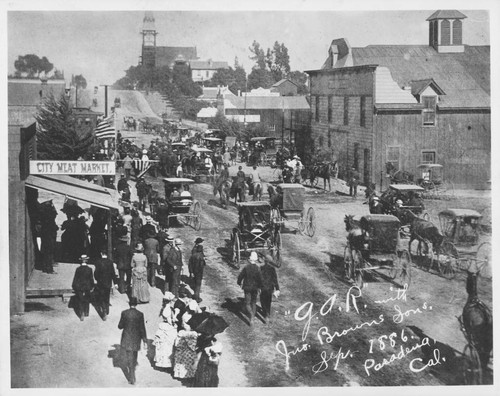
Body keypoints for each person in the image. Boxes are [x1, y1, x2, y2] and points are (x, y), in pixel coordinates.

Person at [118, 297, 148, 385]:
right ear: (136, 304)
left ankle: (131, 377)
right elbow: (142, 328)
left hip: (127, 338)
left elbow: (120, 326)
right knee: (134, 356)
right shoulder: (140, 314)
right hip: (136, 339)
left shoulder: (124, 313)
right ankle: (132, 374)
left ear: (129, 304)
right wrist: (145, 340)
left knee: (129, 357)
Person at [237, 251, 264, 325]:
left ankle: (251, 315)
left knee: (247, 303)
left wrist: (239, 282)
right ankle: (253, 316)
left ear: (249, 259)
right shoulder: (258, 268)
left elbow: (240, 276)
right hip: (255, 288)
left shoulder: (246, 267)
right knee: (253, 303)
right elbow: (260, 279)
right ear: (256, 260)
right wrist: (260, 287)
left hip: (247, 287)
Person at [153, 292, 178, 369]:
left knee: (163, 347)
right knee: (166, 347)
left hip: (164, 326)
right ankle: (164, 364)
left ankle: (162, 363)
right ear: (170, 301)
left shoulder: (166, 308)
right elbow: (170, 322)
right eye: (173, 300)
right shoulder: (167, 309)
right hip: (167, 328)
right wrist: (176, 315)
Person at [71, 254, 95, 321]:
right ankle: (86, 312)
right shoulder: (89, 269)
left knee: (80, 299)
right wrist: (92, 286)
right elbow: (91, 279)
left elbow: (75, 278)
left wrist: (73, 286)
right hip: (87, 286)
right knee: (87, 299)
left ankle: (81, 313)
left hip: (79, 286)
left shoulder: (78, 269)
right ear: (87, 261)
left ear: (81, 261)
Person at [93, 251, 116, 320]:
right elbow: (113, 273)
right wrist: (115, 283)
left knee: (101, 296)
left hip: (100, 283)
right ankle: (107, 309)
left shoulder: (98, 262)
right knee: (107, 296)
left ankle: (104, 310)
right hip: (108, 282)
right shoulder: (110, 262)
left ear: (101, 254)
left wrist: (97, 279)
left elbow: (96, 273)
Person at [259, 253, 280, 323]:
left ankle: (265, 313)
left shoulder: (261, 268)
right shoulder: (272, 269)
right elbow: (275, 279)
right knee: (268, 301)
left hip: (263, 287)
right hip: (270, 288)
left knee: (262, 300)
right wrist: (277, 288)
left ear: (264, 260)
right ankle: (267, 314)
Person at [189, 238, 206, 303]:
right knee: (198, 284)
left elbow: (190, 263)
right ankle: (197, 297)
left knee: (196, 283)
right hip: (198, 272)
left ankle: (196, 294)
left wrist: (191, 271)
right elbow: (201, 265)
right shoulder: (198, 254)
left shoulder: (194, 255)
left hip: (194, 270)